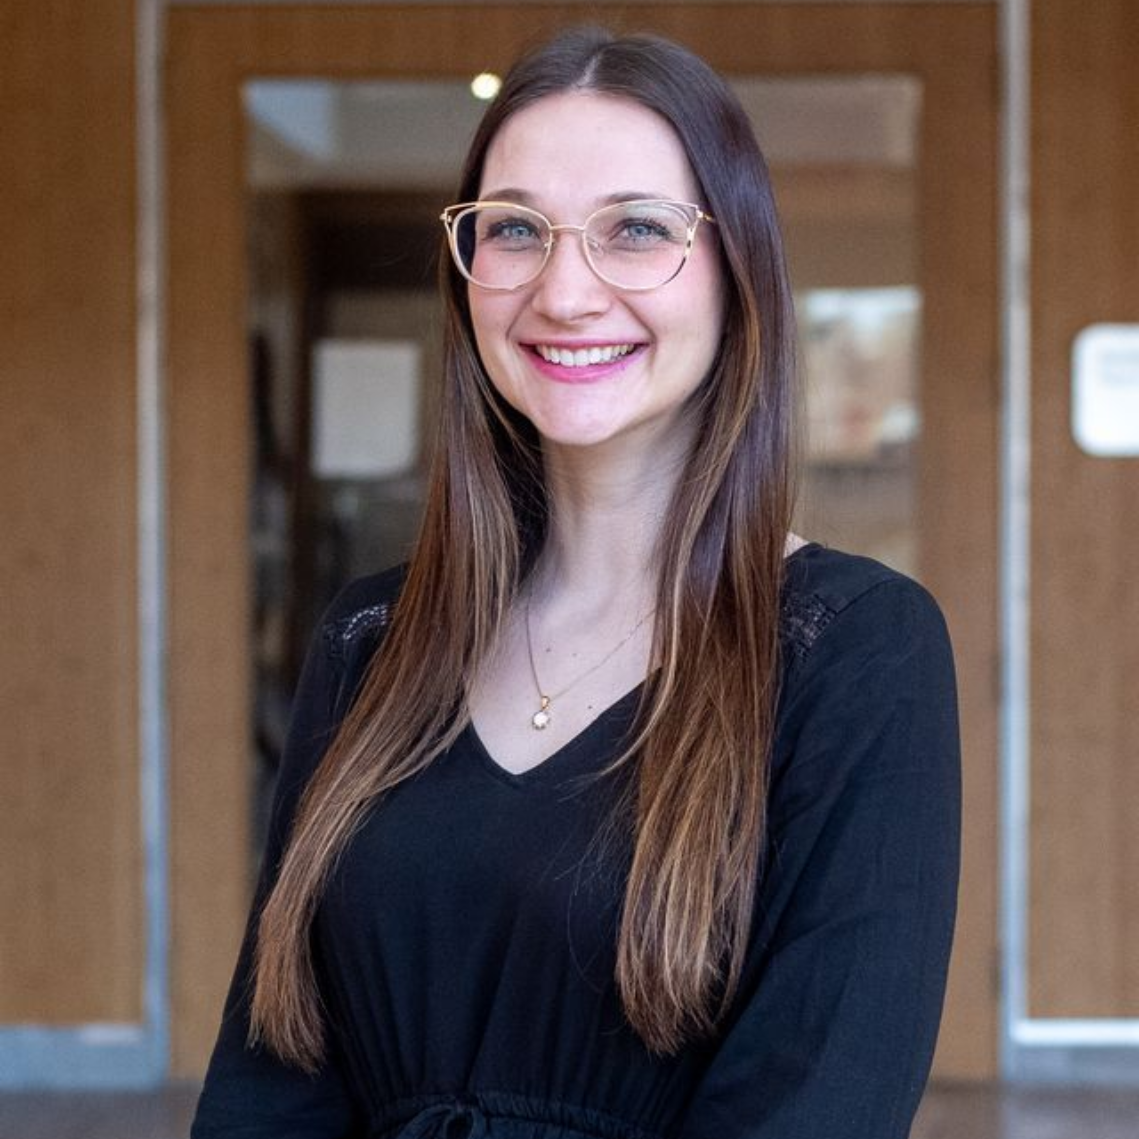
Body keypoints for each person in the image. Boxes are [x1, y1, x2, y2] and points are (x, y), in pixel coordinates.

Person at [191, 25, 960, 1139]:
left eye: (635, 229)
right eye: (513, 230)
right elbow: (274, 1075)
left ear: (735, 268)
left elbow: (814, 1101)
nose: (563, 289)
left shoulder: (853, 650)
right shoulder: (367, 637)